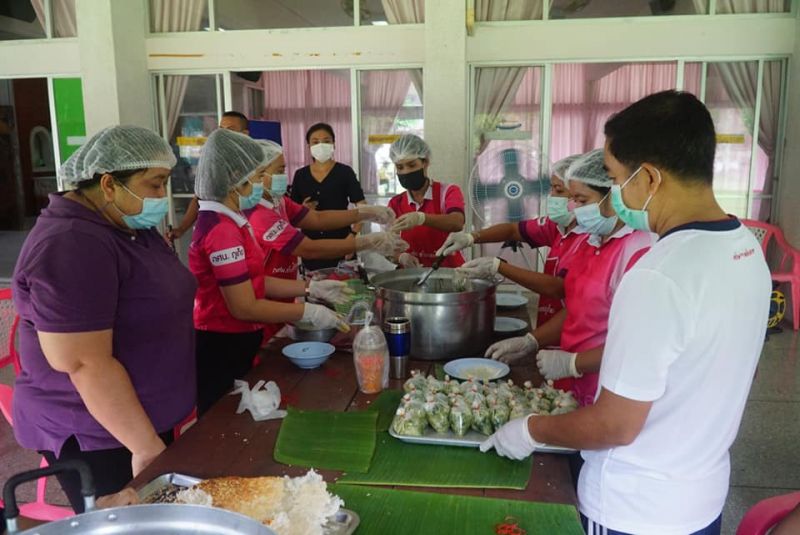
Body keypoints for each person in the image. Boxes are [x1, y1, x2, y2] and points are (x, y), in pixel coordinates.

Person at [481, 90, 771, 535]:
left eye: (616, 180)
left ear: (649, 178)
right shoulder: (744, 250)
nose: (614, 196)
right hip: (700, 498)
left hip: (635, 507)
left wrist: (531, 430)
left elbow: (614, 424)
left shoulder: (659, 273)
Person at [11, 126, 196, 511]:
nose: (162, 197)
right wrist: (144, 446)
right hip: (104, 434)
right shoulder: (71, 243)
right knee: (128, 522)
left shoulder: (125, 226)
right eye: (155, 185)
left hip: (143, 419)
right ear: (109, 184)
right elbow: (84, 362)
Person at [190, 129, 351, 414]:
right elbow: (244, 306)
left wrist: (309, 289)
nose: (258, 185)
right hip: (223, 341)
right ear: (234, 179)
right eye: (254, 177)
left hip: (240, 337)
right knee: (223, 423)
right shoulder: (221, 229)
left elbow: (255, 281)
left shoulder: (233, 219)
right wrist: (307, 313)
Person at [246, 140, 405, 341]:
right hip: (260, 304)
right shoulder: (258, 214)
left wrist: (363, 213)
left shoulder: (278, 201)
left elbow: (317, 219)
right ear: (257, 174)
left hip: (281, 296)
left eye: (283, 169)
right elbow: (309, 249)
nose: (283, 175)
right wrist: (368, 242)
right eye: (279, 170)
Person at [437, 153, 586, 328]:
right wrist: (470, 237)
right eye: (551, 189)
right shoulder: (556, 226)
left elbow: (557, 288)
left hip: (573, 333)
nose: (551, 196)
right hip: (549, 327)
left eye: (559, 190)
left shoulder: (588, 236)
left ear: (578, 193)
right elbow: (513, 230)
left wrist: (498, 266)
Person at [289, 122, 368, 272]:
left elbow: (363, 208)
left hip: (342, 243)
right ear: (309, 146)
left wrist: (352, 238)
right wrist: (302, 210)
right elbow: (290, 214)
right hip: (310, 247)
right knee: (314, 290)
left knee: (345, 290)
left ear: (334, 144)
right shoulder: (301, 175)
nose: (321, 145)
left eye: (326, 141)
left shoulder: (345, 172)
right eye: (315, 142)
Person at [168, 111, 251, 242]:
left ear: (245, 134)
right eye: (221, 129)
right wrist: (181, 229)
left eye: (230, 130)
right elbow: (198, 199)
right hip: (216, 230)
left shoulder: (255, 161)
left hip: (247, 231)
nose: (223, 135)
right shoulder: (211, 161)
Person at [386, 134, 467, 268]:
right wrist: (400, 257)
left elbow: (457, 222)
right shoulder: (396, 203)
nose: (406, 172)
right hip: (412, 277)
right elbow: (387, 246)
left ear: (425, 162)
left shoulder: (447, 192)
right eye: (400, 167)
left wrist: (421, 218)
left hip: (449, 274)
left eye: (412, 165)